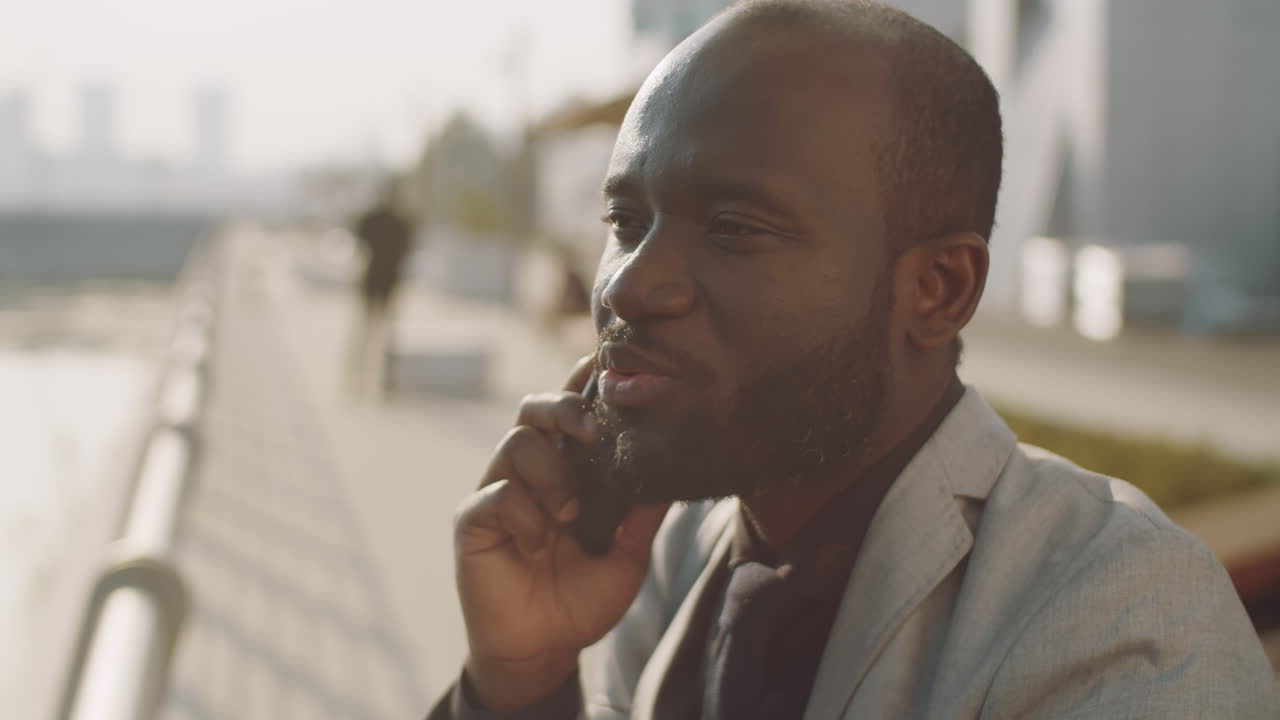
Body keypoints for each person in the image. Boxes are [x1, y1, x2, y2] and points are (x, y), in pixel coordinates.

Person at [428, 2, 1279, 718]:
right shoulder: (662, 550)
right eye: (625, 221)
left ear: (938, 289)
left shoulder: (1120, 623)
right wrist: (521, 681)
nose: (629, 286)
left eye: (733, 227)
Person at [348, 182, 413, 396]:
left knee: (380, 334)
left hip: (383, 281)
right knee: (369, 332)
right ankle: (360, 378)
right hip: (379, 281)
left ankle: (378, 380)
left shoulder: (388, 221)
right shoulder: (395, 221)